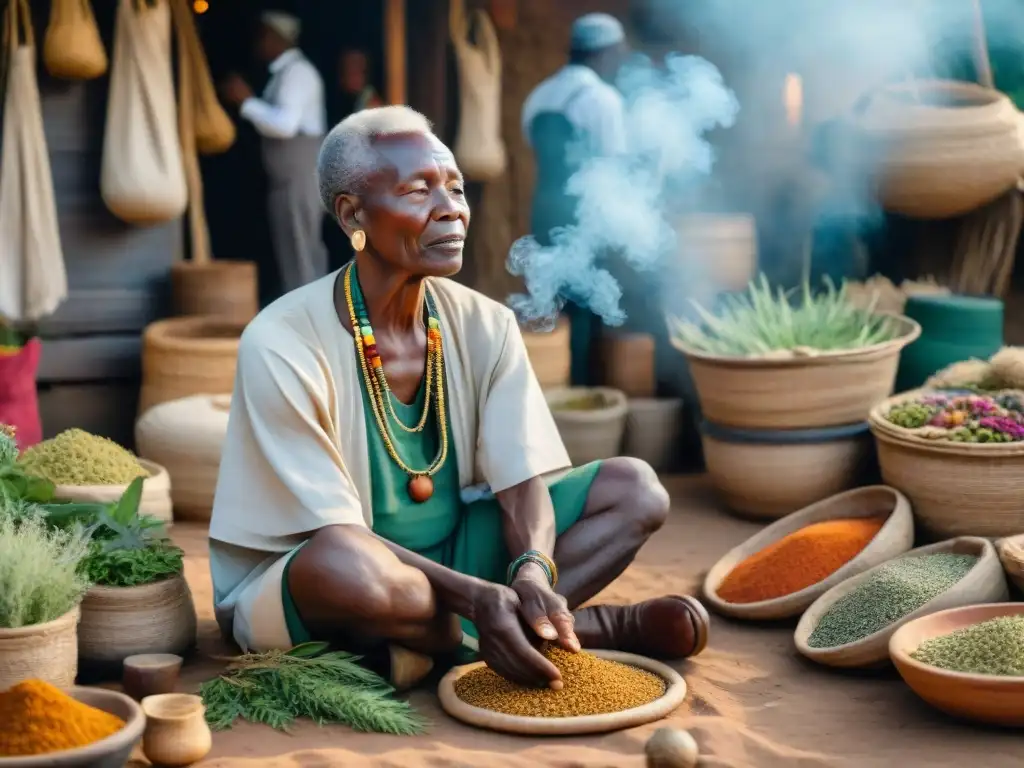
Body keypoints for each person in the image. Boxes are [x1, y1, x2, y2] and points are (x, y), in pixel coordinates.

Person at [208, 106, 709, 692]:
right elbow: (333, 533)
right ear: (352, 214)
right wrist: (477, 598)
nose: (451, 208)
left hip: (459, 564)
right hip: (331, 579)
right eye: (418, 190)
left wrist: (530, 572)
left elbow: (522, 481)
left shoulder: (486, 324)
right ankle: (582, 629)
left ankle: (465, 639)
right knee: (353, 571)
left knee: (635, 489)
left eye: (455, 187)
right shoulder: (281, 340)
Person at [521, 13, 629, 386]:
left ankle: (549, 389)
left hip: (544, 210)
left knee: (550, 306)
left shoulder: (539, 95)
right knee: (586, 307)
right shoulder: (603, 99)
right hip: (583, 215)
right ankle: (582, 392)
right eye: (618, 51)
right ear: (605, 52)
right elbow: (613, 171)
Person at [221, 11, 329, 294]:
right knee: (292, 255)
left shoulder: (298, 73)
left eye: (262, 35)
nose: (257, 42)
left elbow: (284, 125)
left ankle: (313, 327)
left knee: (302, 255)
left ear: (275, 37)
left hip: (299, 177)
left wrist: (246, 102)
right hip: (286, 181)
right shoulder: (284, 73)